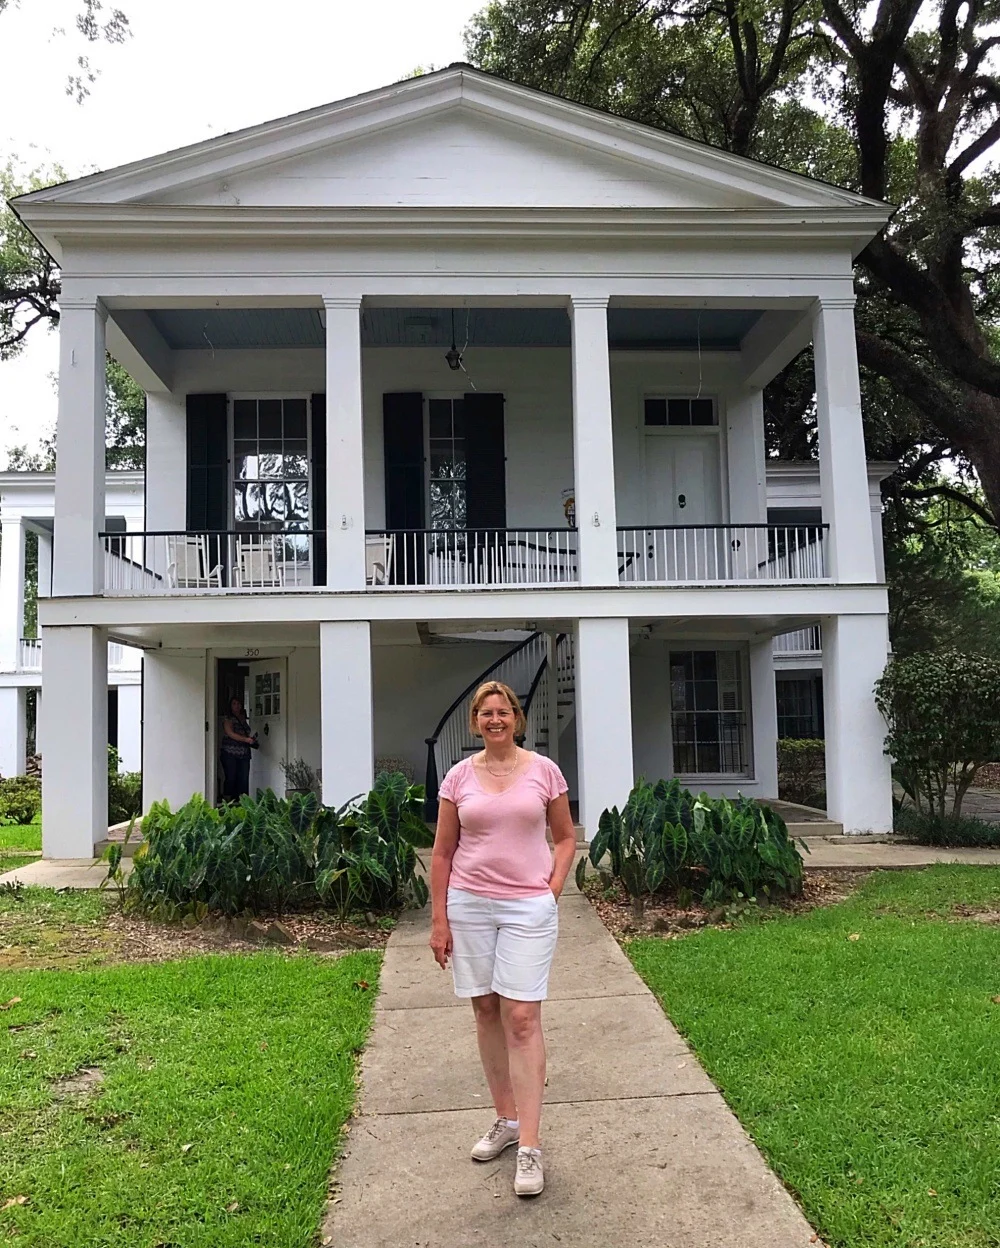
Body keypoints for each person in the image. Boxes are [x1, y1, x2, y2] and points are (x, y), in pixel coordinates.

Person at [429, 679, 577, 1198]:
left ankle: (531, 1146)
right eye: (486, 713)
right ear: (475, 722)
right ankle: (506, 1120)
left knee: (521, 1015)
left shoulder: (543, 771)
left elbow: (565, 836)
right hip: (469, 906)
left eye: (504, 712)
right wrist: (439, 920)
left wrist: (552, 887)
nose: (495, 720)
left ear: (516, 718)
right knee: (486, 1011)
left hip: (527, 908)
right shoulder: (457, 778)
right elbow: (443, 853)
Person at [220, 696, 256, 800]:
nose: (237, 706)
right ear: (230, 706)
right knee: (231, 777)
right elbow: (230, 733)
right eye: (234, 704)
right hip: (229, 752)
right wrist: (245, 739)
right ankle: (227, 800)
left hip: (244, 753)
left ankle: (242, 801)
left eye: (239, 704)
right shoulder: (228, 718)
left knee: (243, 778)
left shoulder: (243, 718)